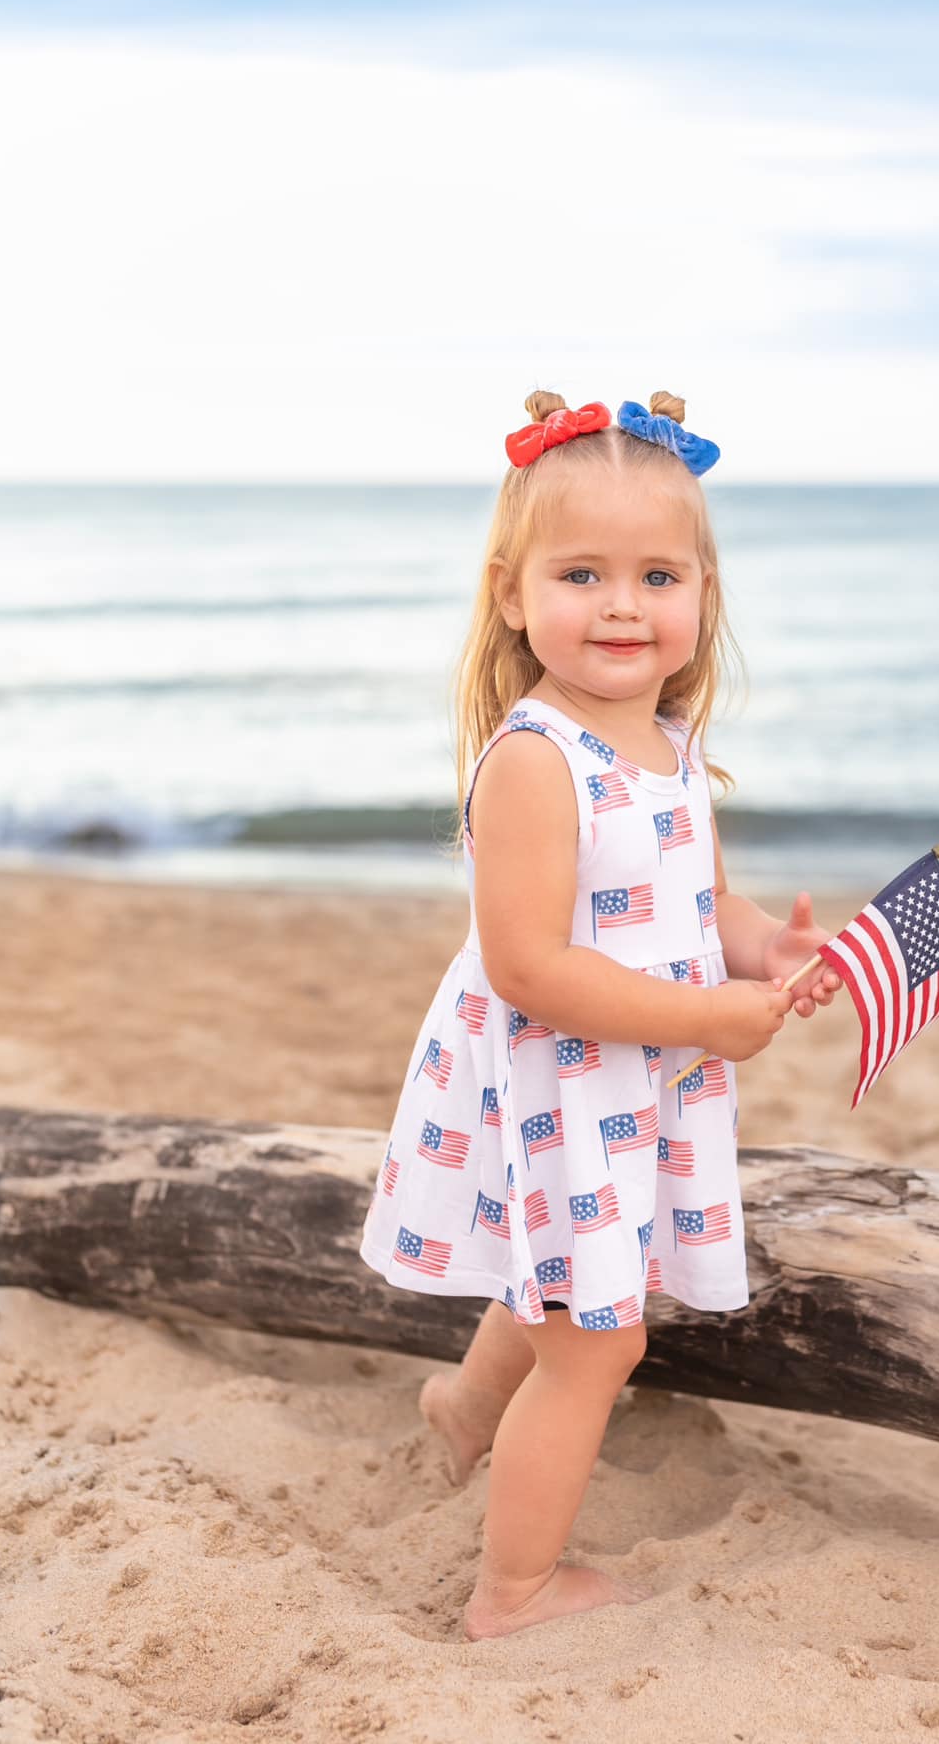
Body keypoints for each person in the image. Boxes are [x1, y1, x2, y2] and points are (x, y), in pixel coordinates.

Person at [357, 390, 843, 1641]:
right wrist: (702, 1015)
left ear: (701, 595)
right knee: (597, 1343)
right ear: (513, 594)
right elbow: (527, 965)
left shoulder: (670, 742)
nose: (624, 604)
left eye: (656, 574)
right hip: (565, 1073)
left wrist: (767, 950)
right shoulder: (534, 759)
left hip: (640, 1068)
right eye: (583, 573)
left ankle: (465, 1413)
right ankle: (510, 1590)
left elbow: (700, 900)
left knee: (571, 1278)